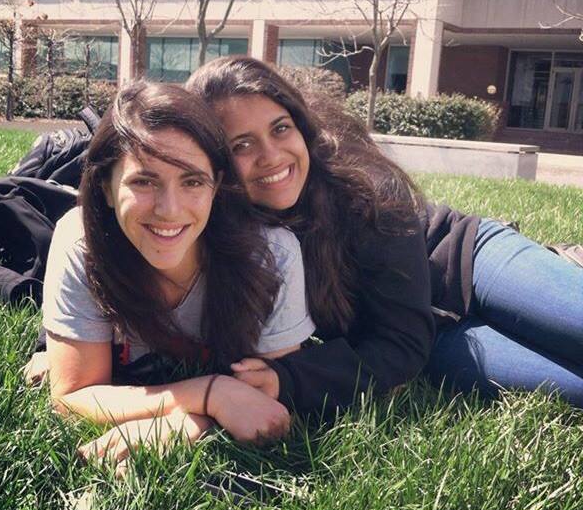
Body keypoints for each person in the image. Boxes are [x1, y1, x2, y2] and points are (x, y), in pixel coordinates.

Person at [185, 55, 583, 414]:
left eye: (280, 128)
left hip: (466, 260)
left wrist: (289, 380)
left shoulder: (362, 188)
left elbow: (398, 341)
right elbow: (397, 346)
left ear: (301, 126)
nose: (271, 155)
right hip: (433, 339)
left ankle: (557, 261)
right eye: (242, 145)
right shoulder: (222, 234)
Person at [42, 81, 315, 466]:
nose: (169, 210)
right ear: (106, 187)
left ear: (216, 186)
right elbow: (72, 396)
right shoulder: (81, 245)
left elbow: (266, 403)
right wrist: (210, 395)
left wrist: (192, 423)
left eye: (192, 181)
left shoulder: (271, 256)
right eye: (144, 181)